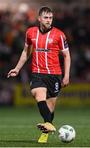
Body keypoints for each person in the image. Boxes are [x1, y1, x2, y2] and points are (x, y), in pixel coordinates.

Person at [7, 6, 71, 143]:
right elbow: (26, 51)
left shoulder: (59, 34)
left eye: (51, 18)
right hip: (37, 73)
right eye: (46, 18)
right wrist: (17, 68)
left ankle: (47, 130)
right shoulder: (30, 33)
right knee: (38, 94)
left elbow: (67, 55)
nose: (49, 20)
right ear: (39, 19)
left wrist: (66, 76)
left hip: (54, 75)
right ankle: (49, 124)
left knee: (50, 107)